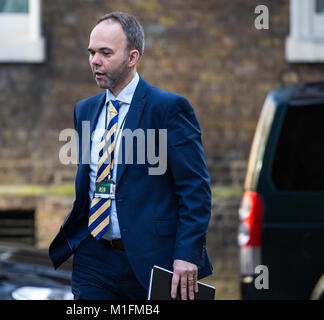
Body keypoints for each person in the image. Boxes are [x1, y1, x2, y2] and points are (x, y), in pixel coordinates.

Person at [49, 12, 212, 300]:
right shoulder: (84, 110)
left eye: (105, 53)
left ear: (132, 56)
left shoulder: (168, 108)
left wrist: (188, 254)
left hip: (150, 261)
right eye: (91, 52)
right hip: (93, 258)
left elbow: (195, 189)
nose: (94, 61)